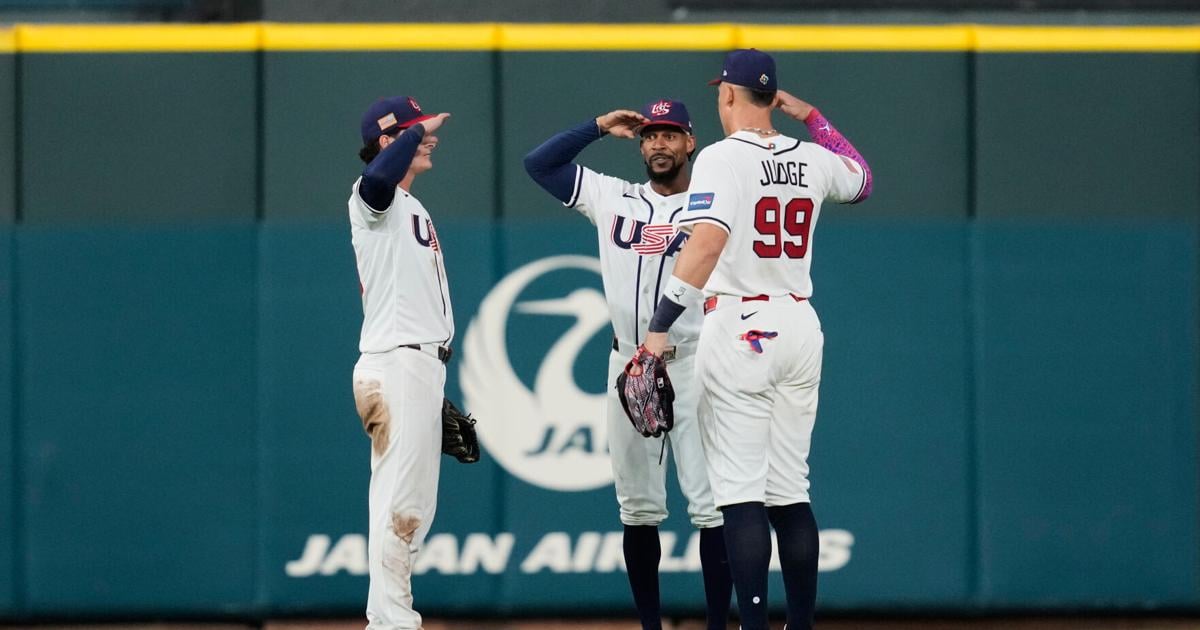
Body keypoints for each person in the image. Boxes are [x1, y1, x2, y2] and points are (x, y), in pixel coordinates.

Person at [636, 49, 872, 630]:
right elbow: (862, 179)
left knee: (740, 495)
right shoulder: (813, 158)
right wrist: (813, 116)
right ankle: (801, 625)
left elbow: (707, 243)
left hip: (740, 323)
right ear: (774, 98)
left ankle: (755, 624)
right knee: (790, 491)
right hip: (798, 323)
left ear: (729, 96)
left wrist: (660, 326)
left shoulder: (720, 158)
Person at [523, 99, 733, 630]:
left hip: (694, 362)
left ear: (691, 143)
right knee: (638, 508)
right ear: (638, 145)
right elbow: (539, 165)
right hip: (628, 363)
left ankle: (715, 625)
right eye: (649, 135)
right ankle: (649, 626)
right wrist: (595, 127)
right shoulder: (613, 197)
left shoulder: (714, 207)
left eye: (670, 134)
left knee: (711, 507)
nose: (658, 143)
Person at [348, 94, 453, 630]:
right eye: (414, 132)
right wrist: (414, 132)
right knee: (400, 506)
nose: (429, 136)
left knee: (410, 507)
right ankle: (392, 624)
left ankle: (387, 618)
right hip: (397, 362)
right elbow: (373, 183)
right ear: (389, 142)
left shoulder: (409, 204)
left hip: (415, 364)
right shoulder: (373, 200)